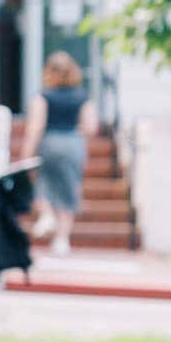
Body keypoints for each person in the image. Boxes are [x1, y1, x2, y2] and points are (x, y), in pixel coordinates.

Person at [24, 51, 98, 257]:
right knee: (69, 189)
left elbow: (35, 127)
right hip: (73, 142)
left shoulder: (43, 96)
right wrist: (76, 136)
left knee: (42, 183)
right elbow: (91, 127)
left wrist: (28, 152)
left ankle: (47, 214)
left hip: (50, 141)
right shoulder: (82, 96)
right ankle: (62, 239)